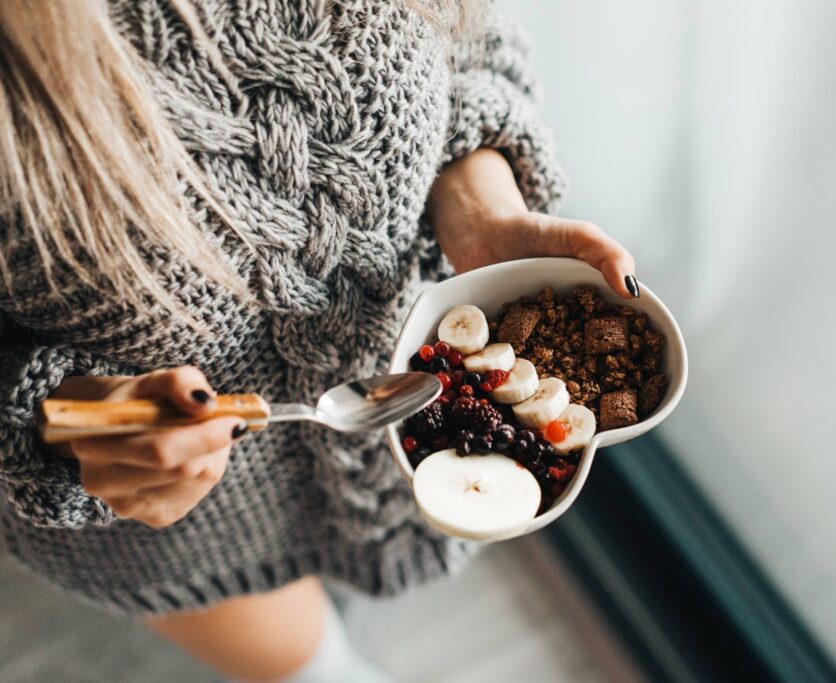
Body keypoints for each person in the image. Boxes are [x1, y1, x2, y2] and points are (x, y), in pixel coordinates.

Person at [0, 1, 637, 680]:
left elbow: (467, 39)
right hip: (188, 524)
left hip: (436, 391)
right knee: (311, 665)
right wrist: (63, 425)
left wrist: (484, 214)